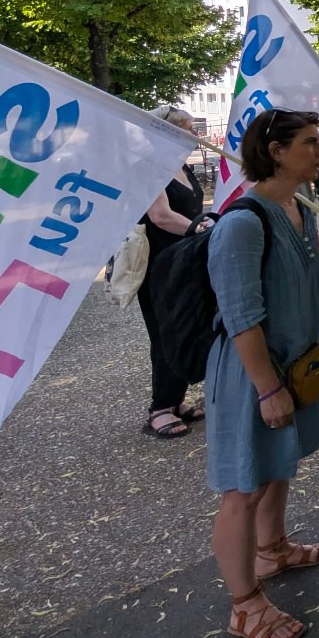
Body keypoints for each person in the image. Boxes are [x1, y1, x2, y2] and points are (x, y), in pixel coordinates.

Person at [206, 108, 319, 638]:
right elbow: (240, 316)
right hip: (252, 375)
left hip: (292, 367)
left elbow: (302, 275)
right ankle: (244, 606)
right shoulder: (242, 223)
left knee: (278, 467)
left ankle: (272, 550)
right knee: (243, 488)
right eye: (310, 143)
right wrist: (268, 388)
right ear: (276, 151)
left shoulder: (296, 207)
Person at [137, 107, 213, 439]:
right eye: (187, 129)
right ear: (167, 132)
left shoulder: (180, 165)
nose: (194, 136)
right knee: (164, 331)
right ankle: (160, 408)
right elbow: (161, 216)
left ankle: (176, 399)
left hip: (183, 260)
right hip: (160, 263)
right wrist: (199, 228)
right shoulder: (150, 166)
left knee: (184, 327)